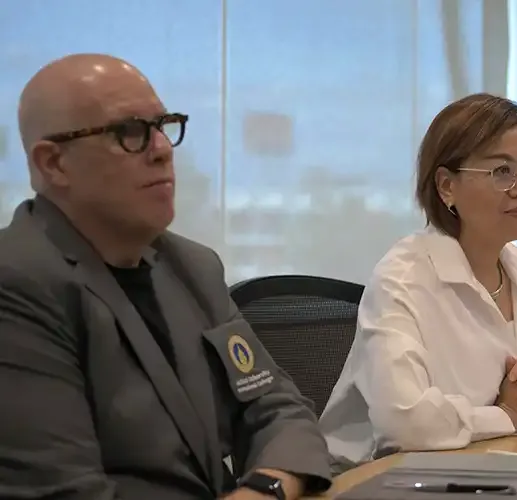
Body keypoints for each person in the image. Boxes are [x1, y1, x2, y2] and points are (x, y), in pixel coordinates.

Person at [0, 54, 332, 499]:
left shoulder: (192, 266)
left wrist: (265, 488)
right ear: (54, 163)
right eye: (129, 131)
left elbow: (278, 409)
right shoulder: (17, 282)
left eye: (163, 125)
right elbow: (63, 491)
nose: (161, 149)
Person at [318, 93, 517, 464]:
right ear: (447, 186)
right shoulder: (402, 279)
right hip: (384, 477)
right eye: (502, 172)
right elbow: (404, 422)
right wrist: (509, 415)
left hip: (497, 467)